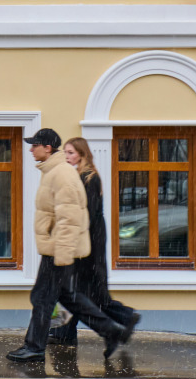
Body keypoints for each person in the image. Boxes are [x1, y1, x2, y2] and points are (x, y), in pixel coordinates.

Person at [6, 128, 127, 367]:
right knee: (66, 297)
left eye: (35, 145)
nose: (31, 149)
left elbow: (69, 218)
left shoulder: (61, 174)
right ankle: (111, 331)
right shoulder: (54, 172)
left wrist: (61, 254)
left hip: (58, 250)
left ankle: (34, 347)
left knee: (42, 297)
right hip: (56, 248)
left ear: (47, 147)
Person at [49, 136, 141, 347]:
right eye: (65, 152)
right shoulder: (81, 177)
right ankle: (65, 331)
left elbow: (87, 215)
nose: (67, 156)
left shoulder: (90, 179)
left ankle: (126, 316)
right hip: (85, 240)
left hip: (89, 243)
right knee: (75, 291)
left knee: (82, 292)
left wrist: (72, 240)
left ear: (82, 154)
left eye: (71, 152)